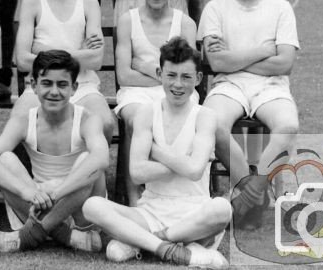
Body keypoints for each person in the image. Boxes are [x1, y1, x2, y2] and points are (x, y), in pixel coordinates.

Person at [82, 38, 231, 268]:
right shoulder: (146, 113)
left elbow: (194, 172)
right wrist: (186, 160)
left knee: (222, 208)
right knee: (92, 205)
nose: (178, 85)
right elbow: (138, 173)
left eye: (186, 77)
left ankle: (147, 241)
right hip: (151, 209)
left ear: (198, 79)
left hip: (194, 213)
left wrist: (156, 151)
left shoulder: (205, 116)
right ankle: (168, 248)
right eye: (171, 75)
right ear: (160, 73)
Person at [199, 0, 299, 225]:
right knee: (212, 122)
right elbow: (218, 63)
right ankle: (252, 191)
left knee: (288, 125)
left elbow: (285, 63)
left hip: (271, 85)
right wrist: (265, 51)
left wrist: (237, 59)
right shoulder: (216, 9)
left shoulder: (280, 8)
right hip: (228, 86)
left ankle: (249, 194)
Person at [0, 50, 109, 254]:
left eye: (62, 84)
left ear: (74, 88)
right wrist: (28, 192)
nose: (54, 92)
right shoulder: (23, 120)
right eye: (47, 83)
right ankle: (66, 236)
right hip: (34, 205)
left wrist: (56, 194)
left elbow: (101, 160)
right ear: (34, 86)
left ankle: (27, 238)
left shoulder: (88, 119)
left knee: (88, 161)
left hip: (77, 208)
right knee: (3, 159)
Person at [14, 0, 115, 142]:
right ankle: (33, 171)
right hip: (41, 83)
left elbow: (95, 60)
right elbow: (22, 60)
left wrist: (43, 53)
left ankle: (89, 170)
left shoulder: (88, 3)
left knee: (105, 122)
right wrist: (78, 54)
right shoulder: (32, 2)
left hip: (82, 83)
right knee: (18, 120)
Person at [114, 0, 198, 206]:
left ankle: (177, 190)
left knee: (183, 113)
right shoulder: (128, 20)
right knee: (139, 117)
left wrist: (145, 67)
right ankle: (134, 197)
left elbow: (187, 76)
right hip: (136, 92)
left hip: (176, 91)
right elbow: (124, 75)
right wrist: (163, 76)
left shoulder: (185, 23)